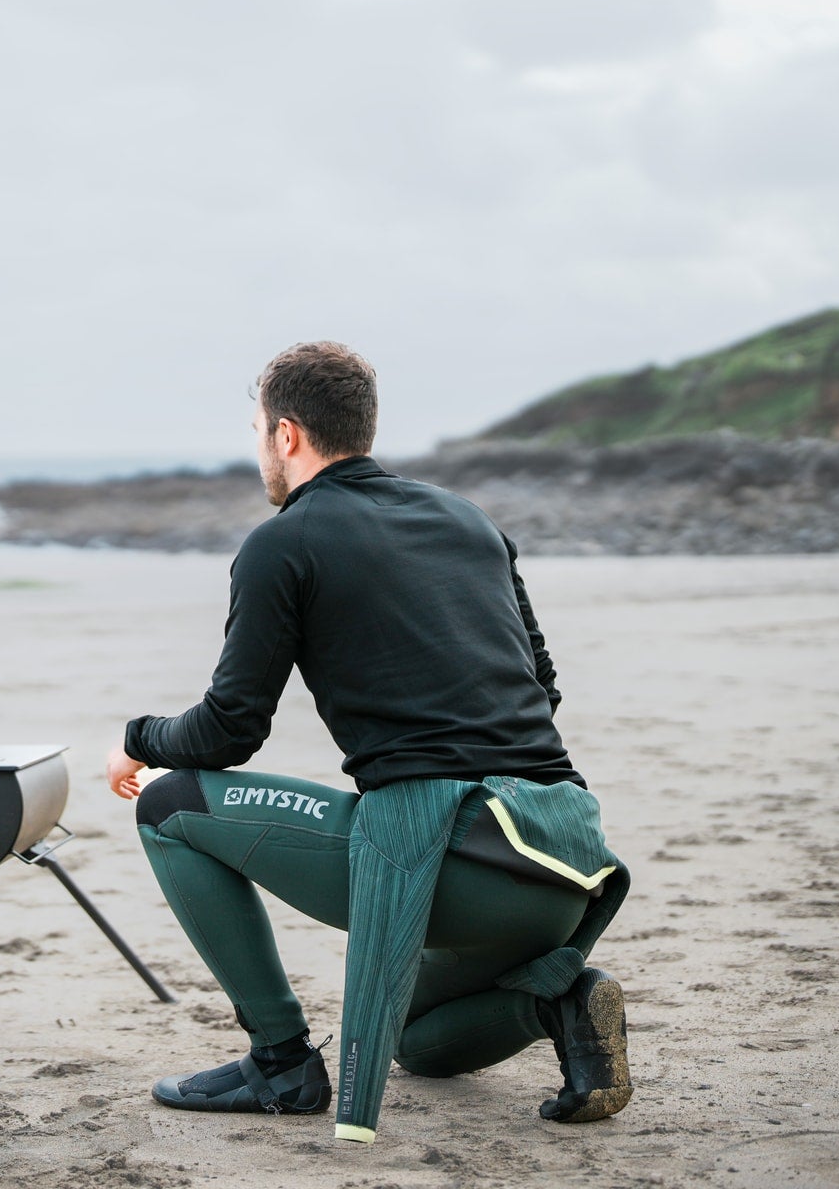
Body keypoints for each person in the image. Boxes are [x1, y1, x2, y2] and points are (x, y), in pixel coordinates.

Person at [106, 342, 633, 1144]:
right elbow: (543, 682)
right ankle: (557, 1002)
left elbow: (227, 731)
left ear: (286, 435)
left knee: (170, 804)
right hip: (556, 863)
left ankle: (279, 1061)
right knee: (419, 1045)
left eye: (257, 431)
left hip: (453, 862)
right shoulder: (469, 520)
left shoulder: (283, 542)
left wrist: (139, 739)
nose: (259, 450)